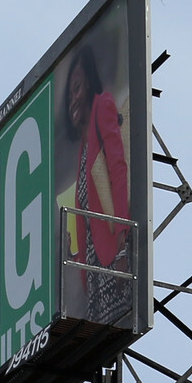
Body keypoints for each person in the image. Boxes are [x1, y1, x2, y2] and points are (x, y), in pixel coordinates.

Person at [63, 43, 130, 326]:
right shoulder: (82, 148)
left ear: (90, 81)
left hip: (111, 261)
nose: (73, 100)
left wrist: (124, 243)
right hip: (94, 274)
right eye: (69, 95)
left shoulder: (103, 105)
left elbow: (117, 168)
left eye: (77, 87)